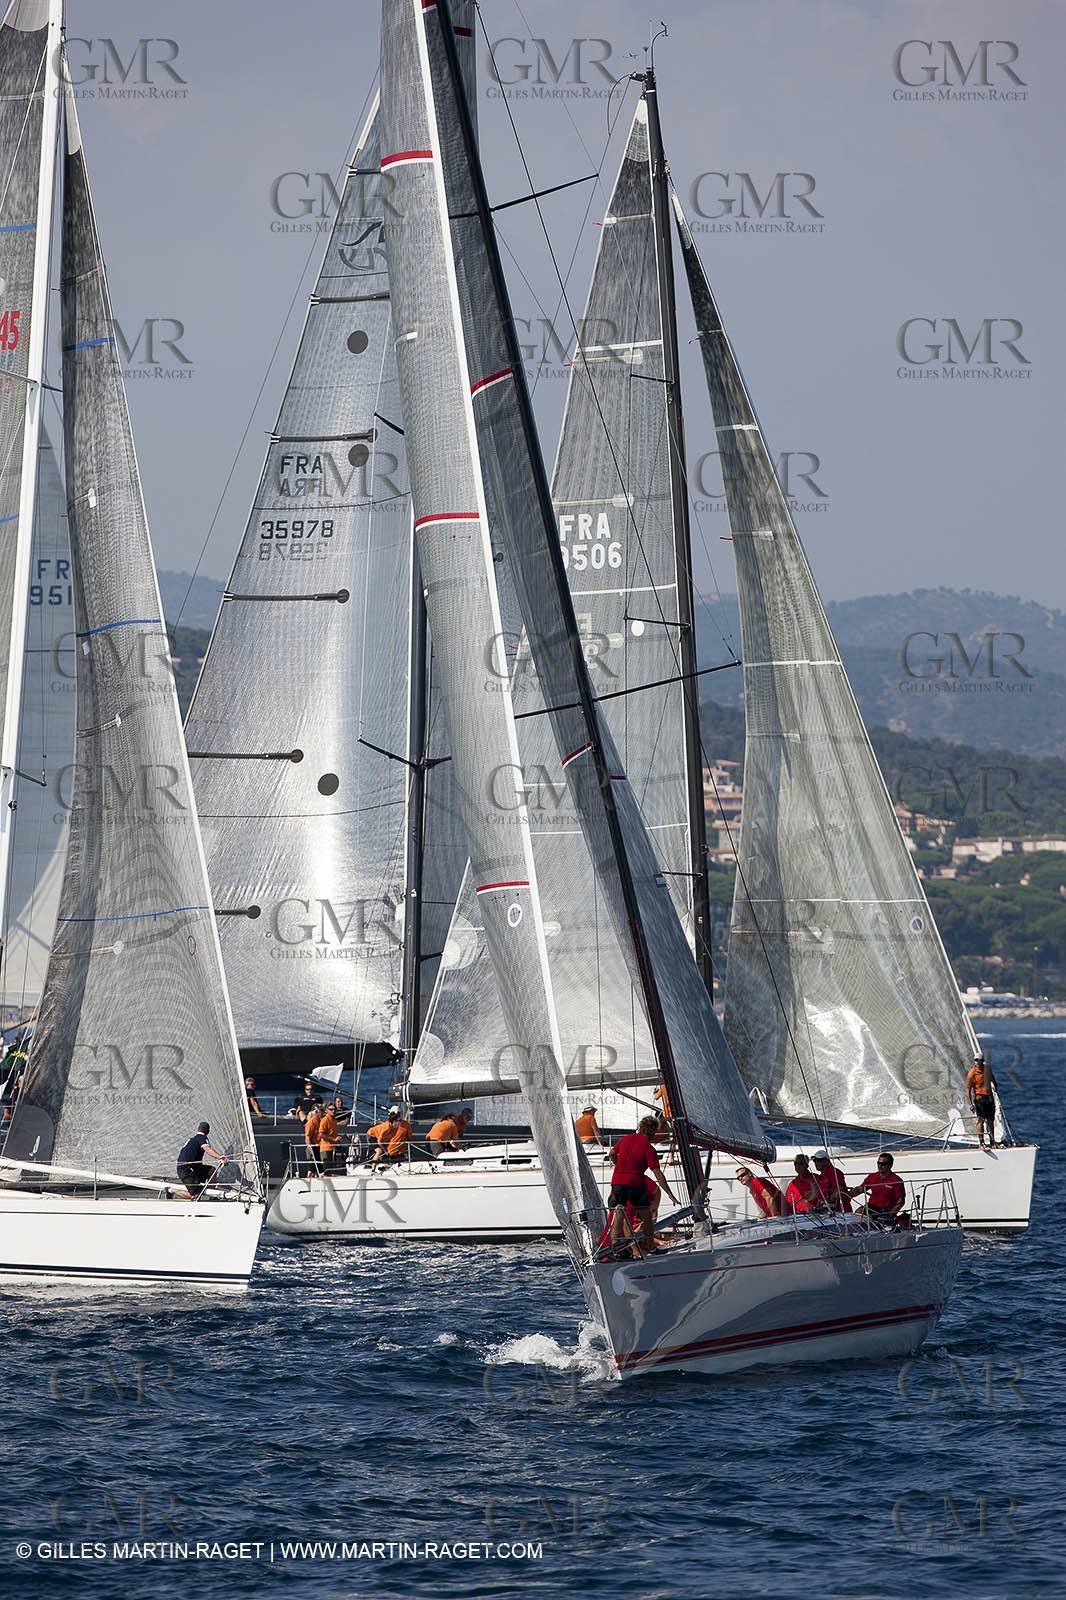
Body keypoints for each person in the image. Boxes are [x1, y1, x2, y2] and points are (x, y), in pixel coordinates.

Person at [607, 1115, 678, 1256]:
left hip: (617, 1182)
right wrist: (670, 1194)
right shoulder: (649, 1149)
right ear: (653, 1132)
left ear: (640, 1127)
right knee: (646, 1216)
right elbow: (658, 1174)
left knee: (619, 1213)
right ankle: (651, 1247)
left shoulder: (626, 1139)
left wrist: (619, 1165)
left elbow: (612, 1153)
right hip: (635, 1183)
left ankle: (614, 1249)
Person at [848, 1152, 906, 1224]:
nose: (880, 1166)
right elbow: (860, 1189)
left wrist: (890, 1214)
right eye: (878, 1163)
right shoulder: (873, 1177)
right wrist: (845, 1195)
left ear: (890, 1165)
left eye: (883, 1164)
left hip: (885, 1210)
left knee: (866, 1216)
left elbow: (901, 1201)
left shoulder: (896, 1180)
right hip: (871, 1207)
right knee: (858, 1213)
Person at [176, 1122, 229, 1198]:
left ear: (198, 1129)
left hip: (194, 1168)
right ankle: (171, 1191)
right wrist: (221, 1157)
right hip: (186, 1169)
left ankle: (212, 1196)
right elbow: (207, 1149)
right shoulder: (202, 1138)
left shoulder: (194, 1139)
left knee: (212, 1171)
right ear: (208, 1132)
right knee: (195, 1195)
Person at [965, 1055, 998, 1150]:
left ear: (983, 1060)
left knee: (990, 1120)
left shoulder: (987, 1068)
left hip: (989, 1098)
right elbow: (968, 1089)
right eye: (976, 1060)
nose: (978, 1062)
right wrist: (971, 1103)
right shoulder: (972, 1073)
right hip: (979, 1098)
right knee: (981, 1120)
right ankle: (981, 1142)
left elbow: (992, 1078)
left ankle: (992, 1141)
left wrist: (995, 1085)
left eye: (980, 1060)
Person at [371, 1105, 412, 1170]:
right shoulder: (387, 1127)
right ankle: (373, 1169)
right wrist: (385, 1151)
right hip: (372, 1136)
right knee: (379, 1151)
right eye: (398, 1120)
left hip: (395, 1150)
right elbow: (379, 1140)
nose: (400, 1122)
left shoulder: (395, 1127)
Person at [316, 1100, 341, 1175]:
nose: (333, 1111)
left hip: (333, 1148)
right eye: (331, 1109)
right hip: (326, 1148)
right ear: (326, 1110)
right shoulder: (325, 1120)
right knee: (327, 1170)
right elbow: (321, 1134)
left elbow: (332, 1133)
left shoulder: (334, 1120)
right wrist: (334, 1139)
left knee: (332, 1170)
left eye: (334, 1109)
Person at [304, 1103, 323, 1170]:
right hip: (313, 1147)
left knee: (319, 1168)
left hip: (319, 1147)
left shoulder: (321, 1121)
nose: (322, 1113)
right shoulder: (311, 1123)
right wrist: (311, 1150)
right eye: (320, 1111)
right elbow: (307, 1138)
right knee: (311, 1170)